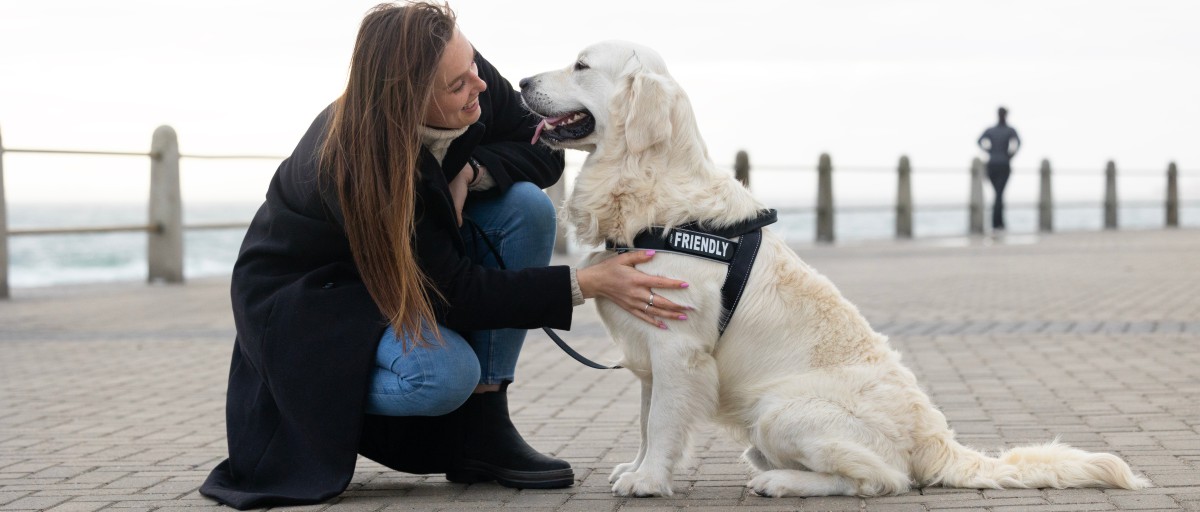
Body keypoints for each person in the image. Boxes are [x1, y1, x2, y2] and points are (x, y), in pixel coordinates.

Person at [198, 2, 691, 509]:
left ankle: (484, 421)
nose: (478, 86)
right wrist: (588, 283)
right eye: (457, 86)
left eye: (473, 68)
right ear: (407, 100)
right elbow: (453, 292)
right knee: (443, 375)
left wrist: (473, 169)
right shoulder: (355, 162)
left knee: (525, 206)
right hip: (315, 302)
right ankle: (329, 405)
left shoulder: (467, 75)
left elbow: (542, 149)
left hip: (403, 270)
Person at [977, 106, 1021, 231]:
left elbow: (979, 141)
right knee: (999, 194)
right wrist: (1010, 154)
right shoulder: (1009, 130)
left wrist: (990, 151)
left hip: (994, 164)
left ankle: (997, 222)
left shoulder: (993, 130)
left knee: (998, 194)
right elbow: (1018, 143)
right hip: (1002, 164)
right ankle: (998, 223)